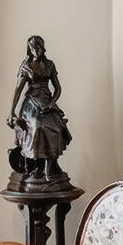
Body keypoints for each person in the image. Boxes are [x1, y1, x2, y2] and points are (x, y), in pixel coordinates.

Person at [5, 35, 72, 191]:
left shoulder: (49, 65)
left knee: (56, 125)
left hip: (47, 102)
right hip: (31, 104)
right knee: (38, 126)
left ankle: (50, 166)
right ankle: (37, 166)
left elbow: (58, 88)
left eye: (37, 47)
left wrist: (51, 103)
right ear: (29, 49)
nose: (35, 50)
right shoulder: (26, 66)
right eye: (32, 48)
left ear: (42, 48)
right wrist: (11, 112)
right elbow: (18, 90)